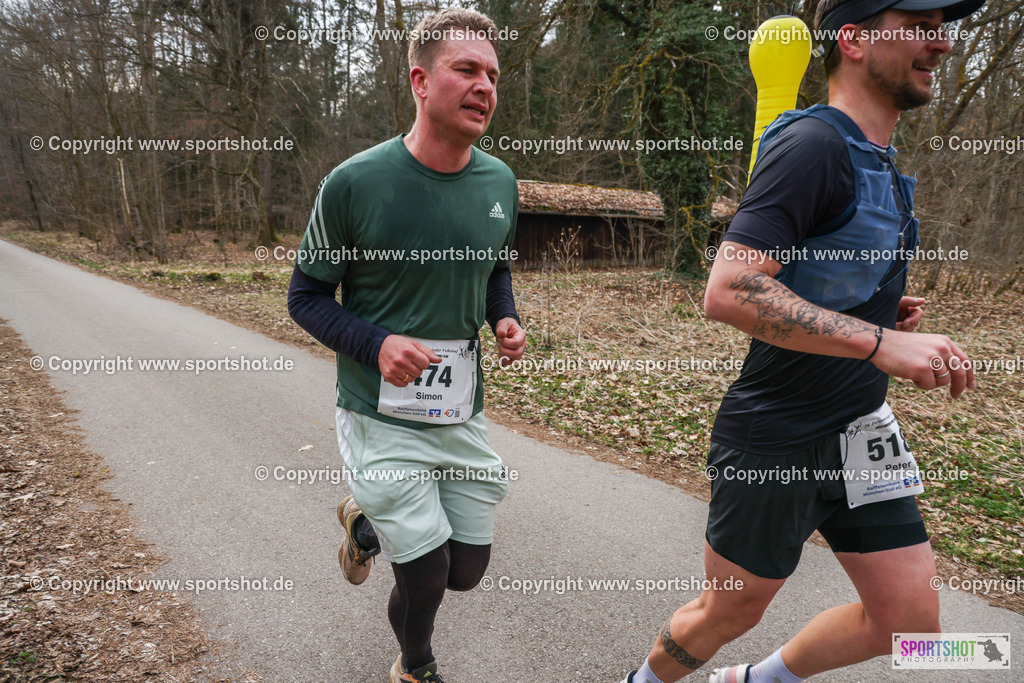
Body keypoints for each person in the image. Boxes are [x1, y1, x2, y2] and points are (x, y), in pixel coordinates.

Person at [620, 1, 983, 681]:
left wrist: (878, 305)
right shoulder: (813, 145)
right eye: (919, 27)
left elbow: (815, 270)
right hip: (777, 435)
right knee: (729, 611)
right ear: (853, 39)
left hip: (861, 428)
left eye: (942, 29)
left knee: (909, 623)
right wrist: (878, 342)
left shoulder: (878, 158)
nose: (939, 44)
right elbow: (729, 289)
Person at [287, 8, 525, 682]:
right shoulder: (354, 183)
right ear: (420, 81)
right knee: (426, 575)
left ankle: (367, 525)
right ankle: (415, 665)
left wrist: (504, 317)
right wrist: (376, 343)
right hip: (379, 413)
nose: (484, 86)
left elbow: (495, 267)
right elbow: (305, 297)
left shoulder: (500, 183)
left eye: (493, 75)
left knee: (466, 571)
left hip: (459, 410)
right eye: (466, 69)